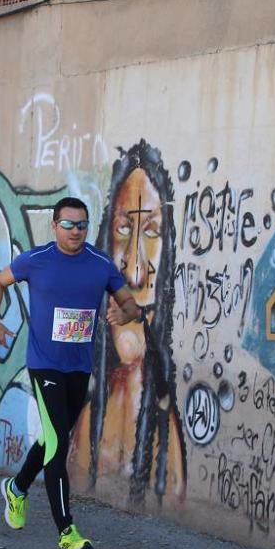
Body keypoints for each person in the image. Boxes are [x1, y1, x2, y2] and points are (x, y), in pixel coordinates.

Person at [0, 196, 143, 549]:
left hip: (79, 368)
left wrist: (125, 313)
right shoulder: (36, 260)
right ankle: (66, 532)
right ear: (55, 226)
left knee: (52, 438)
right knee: (57, 447)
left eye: (82, 225)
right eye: (68, 224)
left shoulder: (100, 264)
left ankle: (16, 487)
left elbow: (130, 303)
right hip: (45, 365)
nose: (76, 231)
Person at [69, 141, 187, 507]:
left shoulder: (165, 445)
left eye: (152, 233)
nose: (134, 271)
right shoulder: (85, 418)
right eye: (123, 230)